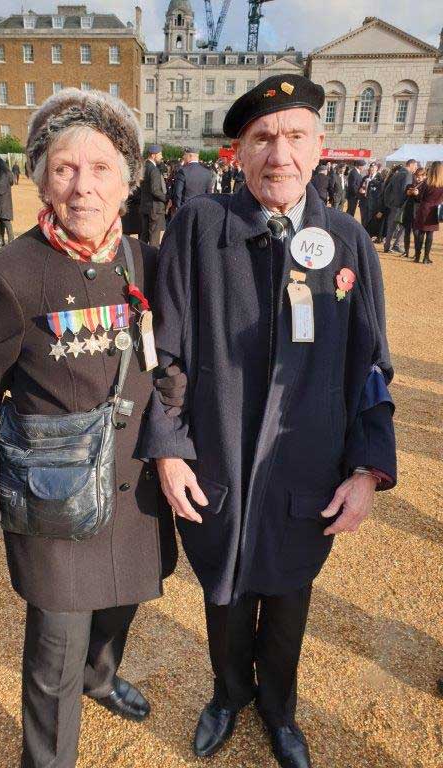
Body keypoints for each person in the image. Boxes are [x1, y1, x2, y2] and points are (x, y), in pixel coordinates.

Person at [141, 73, 396, 768]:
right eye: (261, 138)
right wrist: (167, 449)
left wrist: (369, 468)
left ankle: (279, 708)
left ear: (319, 147)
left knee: (288, 595)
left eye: (293, 136)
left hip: (306, 465)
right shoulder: (200, 226)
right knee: (223, 589)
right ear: (238, 154)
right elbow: (168, 352)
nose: (278, 153)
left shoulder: (346, 239)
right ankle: (227, 694)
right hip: (217, 456)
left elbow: (371, 365)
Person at [0, 88, 177, 768]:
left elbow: (171, 363)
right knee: (53, 653)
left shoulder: (146, 262)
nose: (82, 185)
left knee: (128, 596)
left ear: (128, 182)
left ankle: (101, 679)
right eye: (64, 168)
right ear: (40, 178)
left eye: (100, 168)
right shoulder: (9, 275)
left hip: (133, 485)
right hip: (54, 491)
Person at [383, 158, 418, 253]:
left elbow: (387, 189)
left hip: (393, 204)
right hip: (402, 205)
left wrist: (388, 202)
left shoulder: (396, 173)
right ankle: (397, 244)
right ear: (410, 165)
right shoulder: (408, 175)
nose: (416, 168)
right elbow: (405, 191)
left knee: (391, 226)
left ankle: (387, 246)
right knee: (405, 226)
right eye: (415, 166)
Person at [413, 161, 443, 264]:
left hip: (424, 208)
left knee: (420, 233)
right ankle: (426, 257)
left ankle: (417, 256)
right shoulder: (441, 183)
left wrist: (416, 194)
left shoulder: (427, 182)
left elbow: (420, 197)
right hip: (435, 209)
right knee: (430, 234)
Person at [139, 144, 167, 246]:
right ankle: (151, 260)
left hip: (145, 206)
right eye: (160, 154)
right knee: (154, 239)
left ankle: (139, 258)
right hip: (154, 209)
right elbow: (155, 190)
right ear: (154, 155)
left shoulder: (143, 167)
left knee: (144, 236)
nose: (162, 156)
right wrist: (166, 199)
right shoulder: (154, 170)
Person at [401, 167, 426, 258]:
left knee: (416, 234)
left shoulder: (424, 186)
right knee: (406, 232)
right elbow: (405, 194)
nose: (418, 178)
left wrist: (417, 194)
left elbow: (423, 199)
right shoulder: (410, 185)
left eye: (420, 176)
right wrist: (408, 192)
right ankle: (406, 251)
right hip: (408, 211)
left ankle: (417, 253)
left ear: (424, 176)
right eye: (416, 176)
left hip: (418, 213)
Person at [0, 156, 15, 245]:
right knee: (0, 221)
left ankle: (11, 240)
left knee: (5, 221)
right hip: (3, 201)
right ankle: (2, 239)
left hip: (2, 201)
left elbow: (1, 189)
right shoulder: (5, 173)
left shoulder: (3, 174)